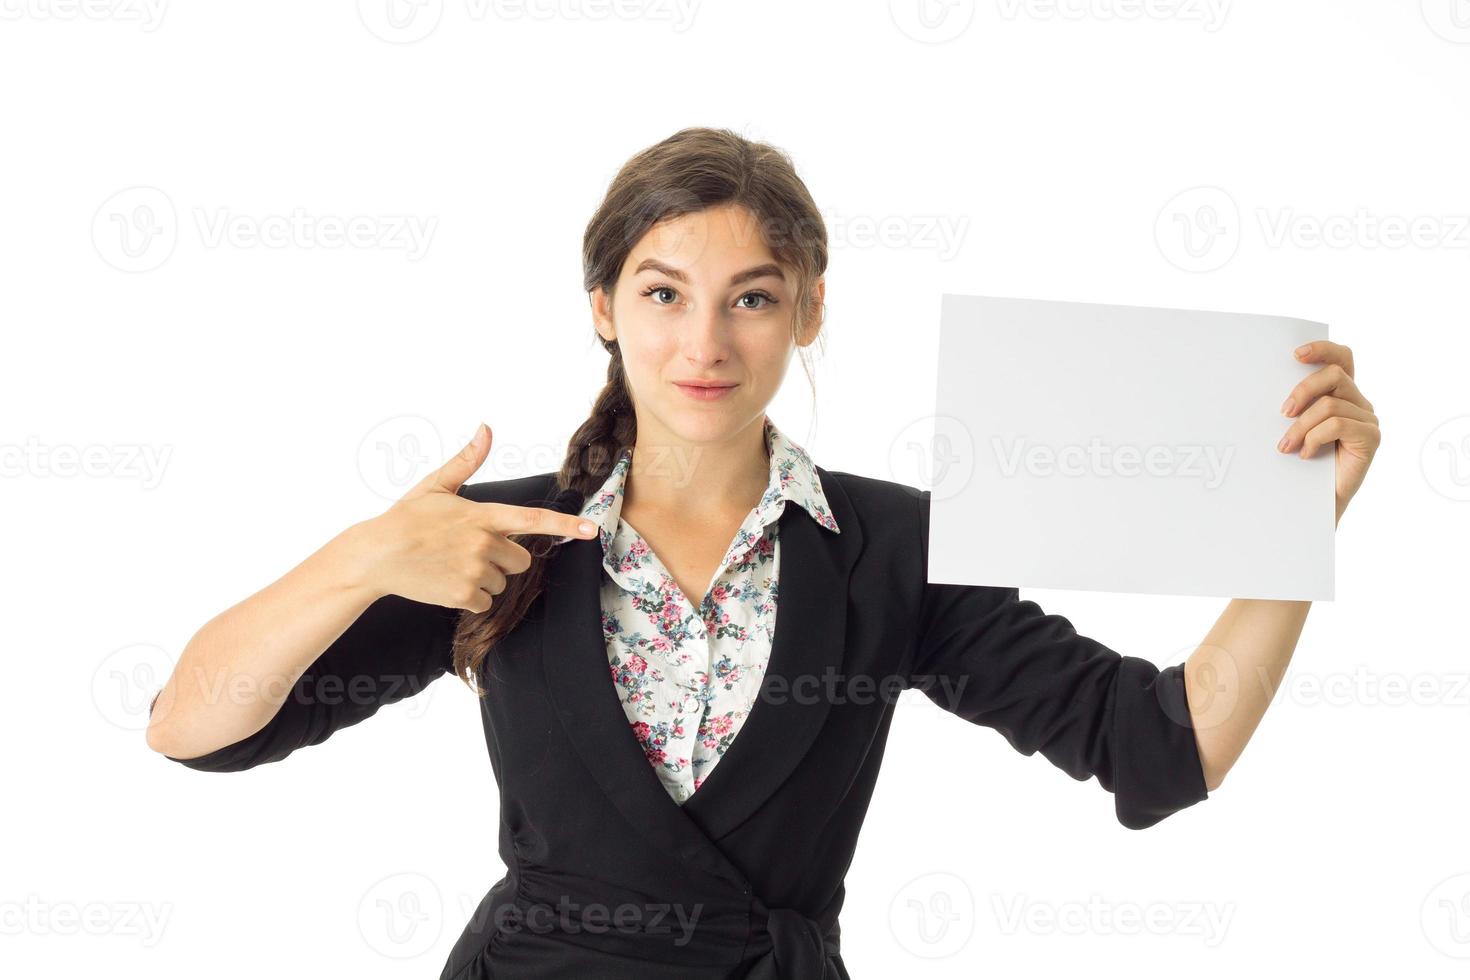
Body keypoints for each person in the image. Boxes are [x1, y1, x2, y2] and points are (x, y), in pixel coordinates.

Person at [145, 126, 1381, 980]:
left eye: (752, 294)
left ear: (810, 308)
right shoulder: (502, 538)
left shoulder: (895, 545)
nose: (705, 341)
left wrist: (1296, 524)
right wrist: (359, 554)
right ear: (601, 308)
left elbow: (1162, 742)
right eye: (661, 291)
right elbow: (190, 726)